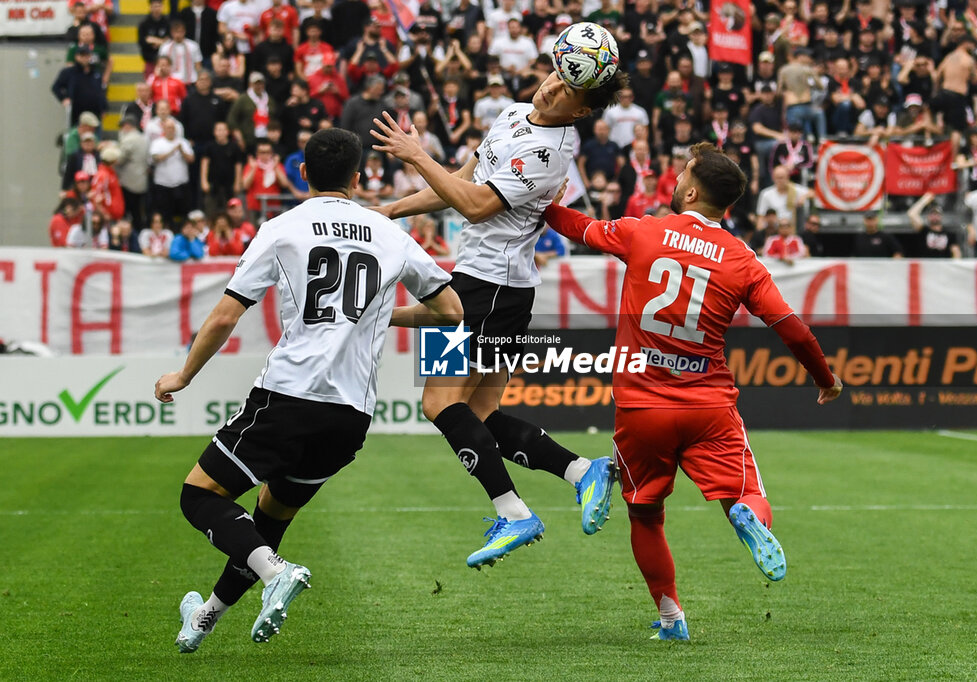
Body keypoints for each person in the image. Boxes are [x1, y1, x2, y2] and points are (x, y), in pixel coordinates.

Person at [153, 127, 461, 654]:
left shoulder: (283, 227)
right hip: (351, 415)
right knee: (269, 519)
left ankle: (276, 575)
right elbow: (451, 310)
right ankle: (204, 617)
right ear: (358, 177)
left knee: (198, 494)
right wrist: (380, 317)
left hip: (290, 395)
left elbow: (228, 313)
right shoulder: (389, 233)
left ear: (302, 173)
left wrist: (182, 375)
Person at [541, 141, 843, 642]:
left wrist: (540, 201)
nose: (677, 176)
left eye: (683, 170)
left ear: (694, 189)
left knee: (645, 513)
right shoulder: (742, 258)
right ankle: (747, 514)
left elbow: (578, 227)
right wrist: (824, 378)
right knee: (746, 492)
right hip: (708, 405)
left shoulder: (645, 229)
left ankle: (671, 617)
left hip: (641, 404)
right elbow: (790, 326)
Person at [370, 58, 630, 568]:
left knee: (440, 404)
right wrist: (388, 211)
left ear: (581, 110)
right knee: (482, 413)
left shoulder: (549, 152)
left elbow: (472, 204)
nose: (553, 87)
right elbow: (459, 181)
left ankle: (512, 511)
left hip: (489, 286)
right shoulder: (512, 113)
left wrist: (418, 154)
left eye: (568, 89)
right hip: (490, 287)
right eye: (557, 74)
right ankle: (582, 471)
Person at [908, 193, 962, 258]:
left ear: (941, 216)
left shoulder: (949, 234)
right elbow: (912, 214)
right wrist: (925, 200)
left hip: (943, 265)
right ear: (928, 216)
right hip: (927, 264)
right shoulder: (924, 230)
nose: (934, 216)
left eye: (937, 214)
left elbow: (956, 251)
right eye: (932, 214)